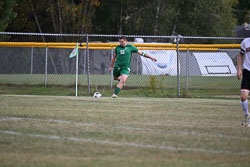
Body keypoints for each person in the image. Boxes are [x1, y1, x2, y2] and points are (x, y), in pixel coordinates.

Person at [237, 37, 250, 126]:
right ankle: (246, 113)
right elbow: (241, 56)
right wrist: (239, 69)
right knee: (243, 97)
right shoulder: (245, 42)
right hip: (247, 72)